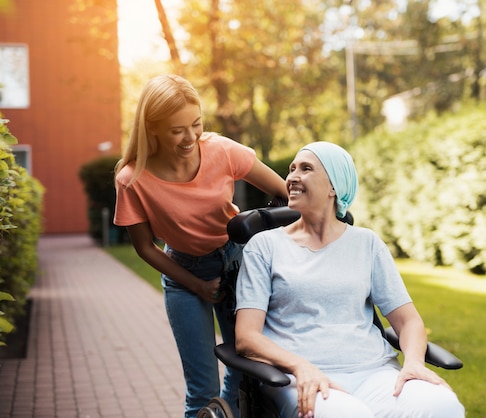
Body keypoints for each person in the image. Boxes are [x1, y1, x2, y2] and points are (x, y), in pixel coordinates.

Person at [234, 141, 465, 418]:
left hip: (375, 373)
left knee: (443, 406)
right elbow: (246, 337)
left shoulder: (367, 243)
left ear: (334, 187)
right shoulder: (264, 246)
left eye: (306, 169)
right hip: (303, 377)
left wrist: (414, 362)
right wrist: (299, 366)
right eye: (292, 169)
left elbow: (408, 321)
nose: (292, 177)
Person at [113, 74, 288, 418]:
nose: (190, 136)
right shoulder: (132, 179)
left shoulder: (221, 150)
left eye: (196, 124)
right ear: (152, 129)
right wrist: (195, 284)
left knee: (245, 373)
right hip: (183, 276)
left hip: (236, 266)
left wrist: (265, 238)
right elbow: (145, 247)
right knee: (201, 390)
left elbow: (284, 192)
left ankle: (225, 412)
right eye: (177, 130)